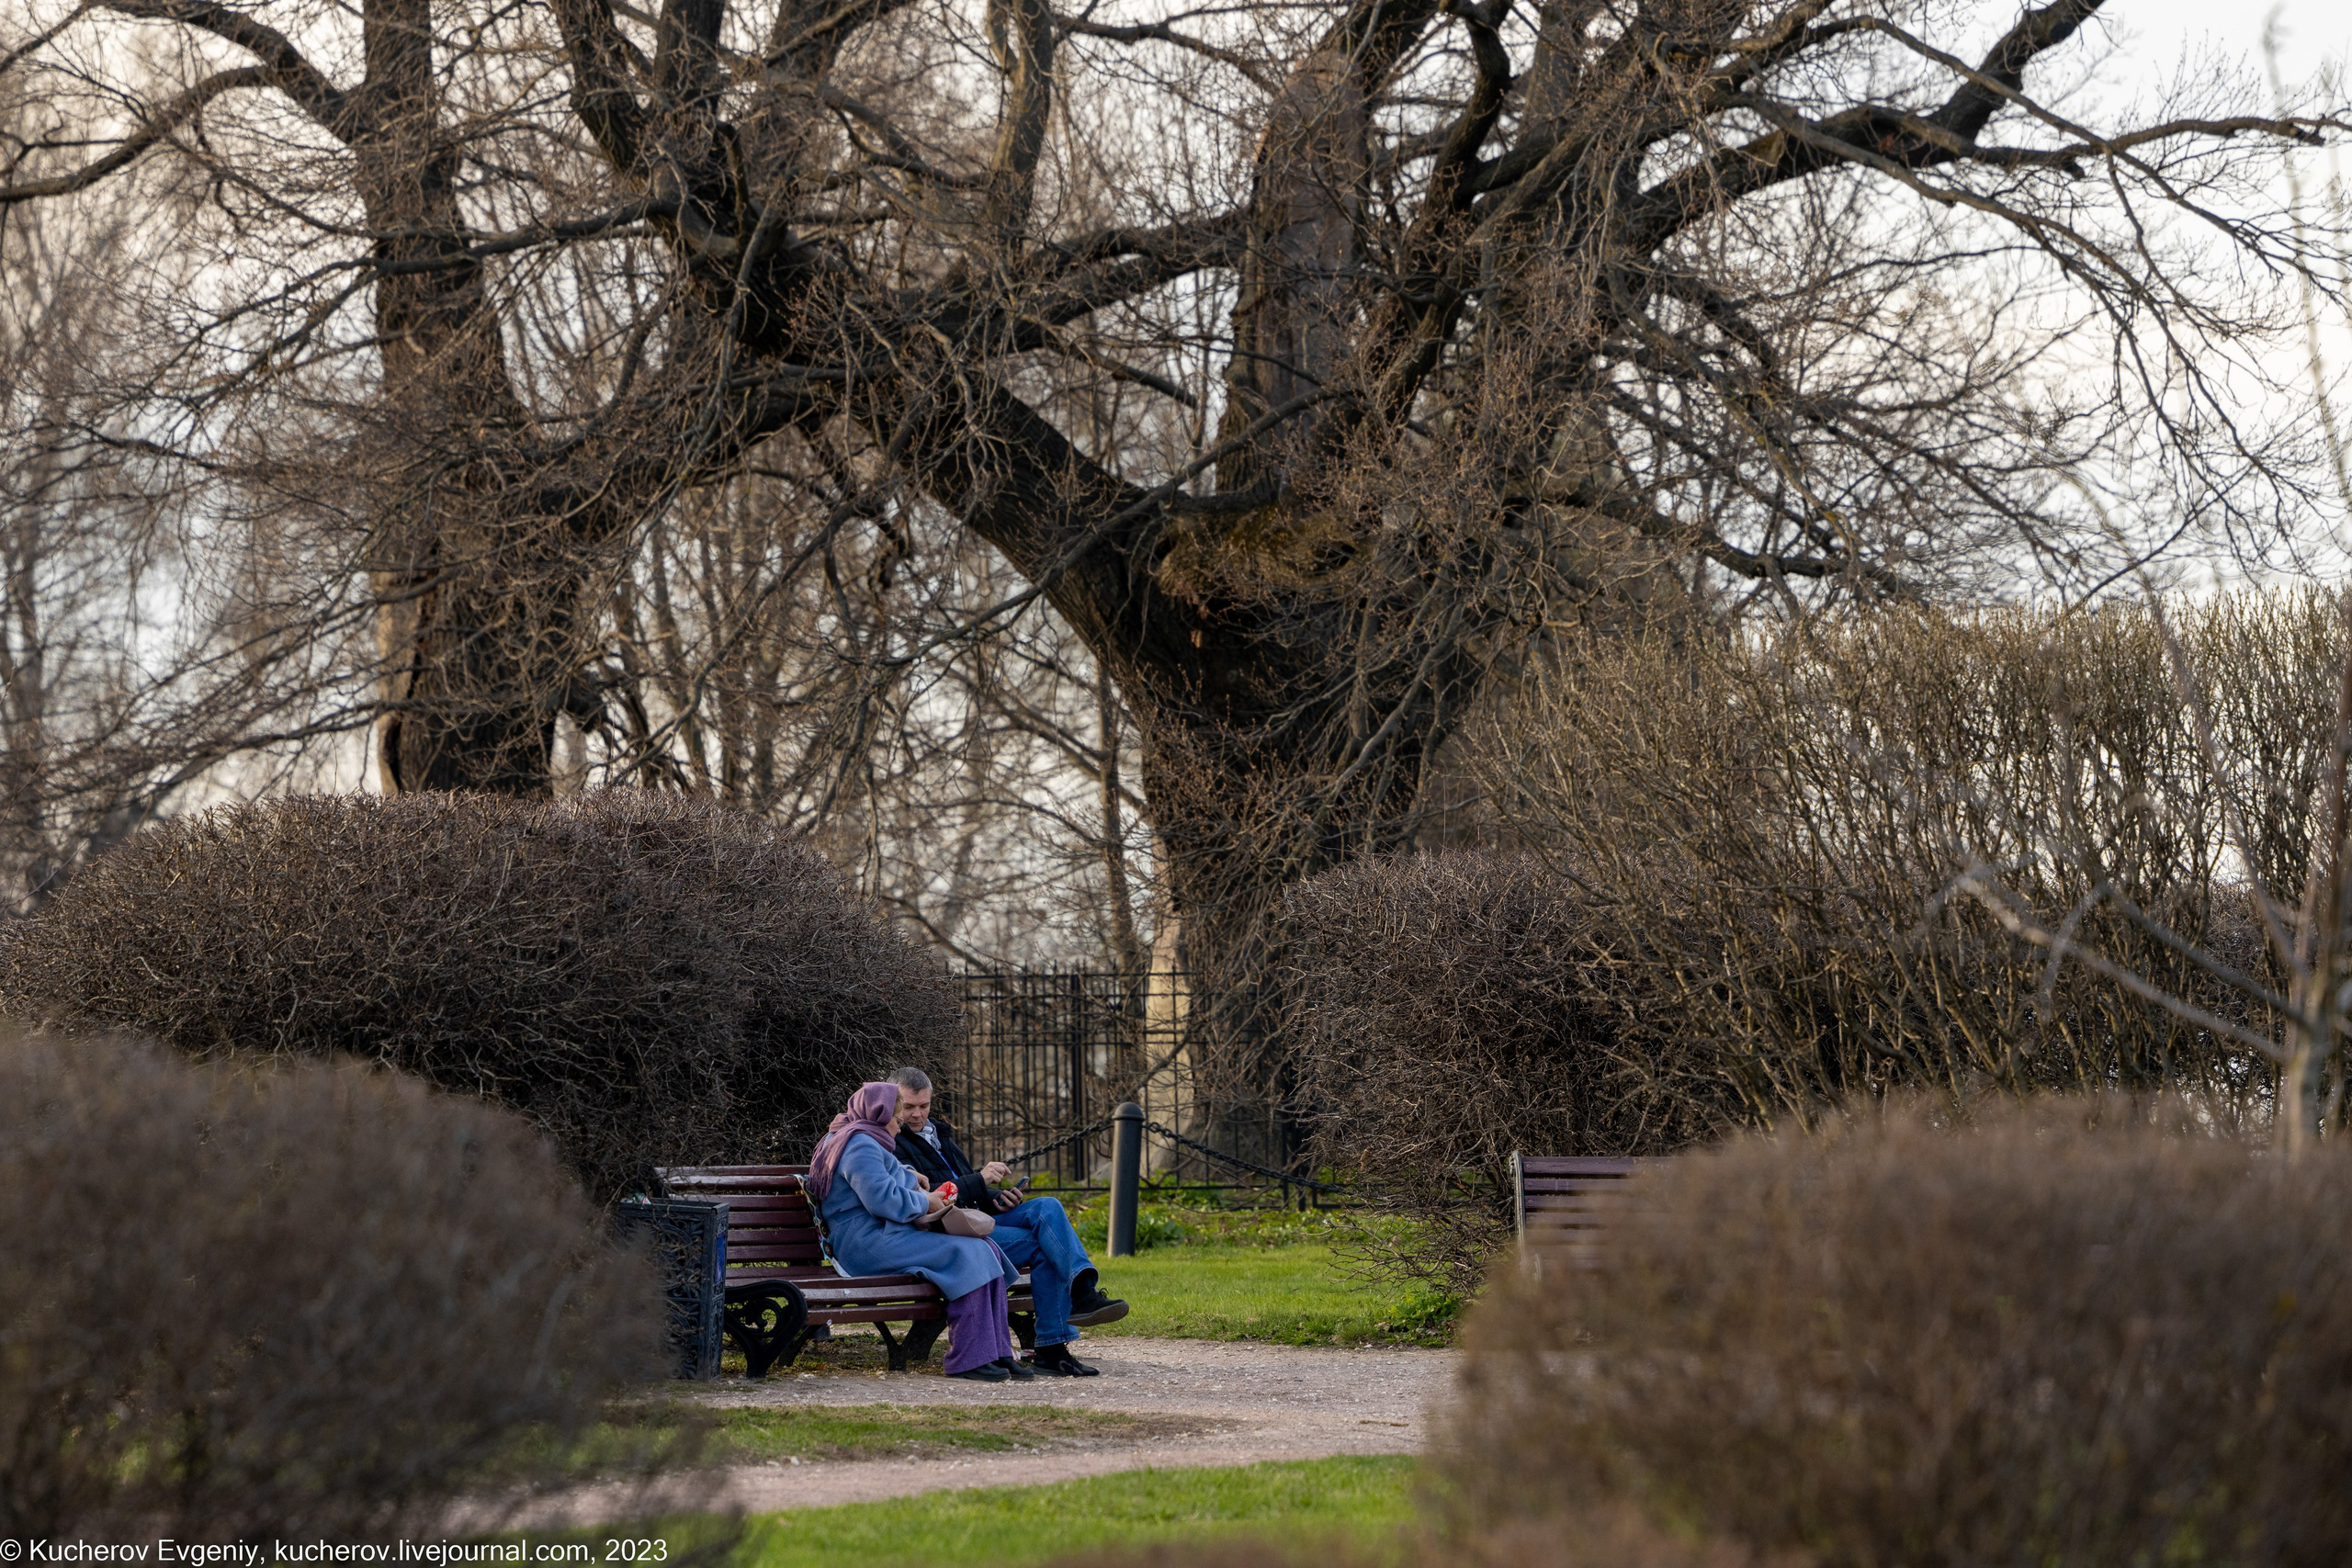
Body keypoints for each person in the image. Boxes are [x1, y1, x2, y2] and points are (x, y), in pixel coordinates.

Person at [887, 1066, 1128, 1377]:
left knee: (1047, 1207)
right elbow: (927, 1199)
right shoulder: (893, 1140)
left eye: (924, 1105)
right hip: (949, 1233)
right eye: (908, 1107)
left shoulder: (938, 1134)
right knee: (1045, 1247)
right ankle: (1053, 1349)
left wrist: (994, 1197)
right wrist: (978, 1179)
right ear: (893, 1103)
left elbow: (962, 1189)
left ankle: (1082, 1290)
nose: (917, 1114)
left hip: (977, 1218)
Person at [807, 1081, 1031, 1382]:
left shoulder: (862, 1137)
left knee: (986, 1248)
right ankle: (969, 1358)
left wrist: (911, 1177)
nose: (900, 1128)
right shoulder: (858, 1144)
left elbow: (888, 1176)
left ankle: (997, 1351)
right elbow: (882, 1199)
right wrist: (925, 1200)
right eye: (898, 1120)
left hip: (884, 1234)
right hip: (865, 1242)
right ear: (881, 1115)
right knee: (968, 1251)